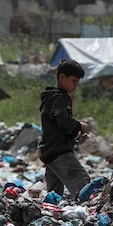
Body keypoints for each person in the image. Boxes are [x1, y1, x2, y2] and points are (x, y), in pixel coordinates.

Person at [39, 59, 91, 198]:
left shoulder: (54, 98)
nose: (77, 85)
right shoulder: (57, 98)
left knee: (54, 193)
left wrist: (76, 134)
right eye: (74, 81)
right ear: (62, 77)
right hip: (59, 152)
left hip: (50, 151)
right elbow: (63, 121)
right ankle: (93, 211)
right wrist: (80, 126)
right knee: (84, 184)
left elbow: (57, 126)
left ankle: (51, 215)